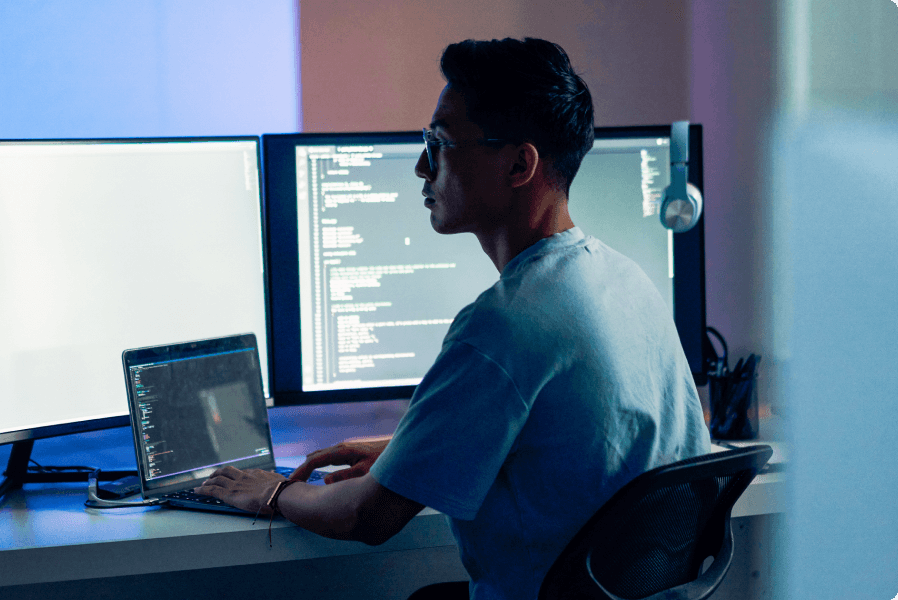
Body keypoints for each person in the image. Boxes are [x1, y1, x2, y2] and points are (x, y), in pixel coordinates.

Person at [196, 37, 711, 599]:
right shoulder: (627, 280)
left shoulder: (503, 326)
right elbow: (578, 445)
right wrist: (412, 453)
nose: (422, 166)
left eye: (439, 143)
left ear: (519, 164)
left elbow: (366, 517)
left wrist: (272, 492)